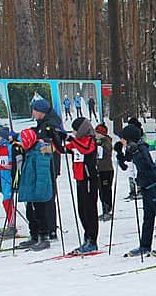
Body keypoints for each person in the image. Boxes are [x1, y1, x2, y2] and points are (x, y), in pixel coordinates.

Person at [115, 124, 156, 257]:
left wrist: (135, 153)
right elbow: (126, 166)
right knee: (148, 217)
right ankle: (145, 245)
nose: (121, 141)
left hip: (155, 185)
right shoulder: (132, 148)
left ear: (129, 138)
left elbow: (146, 165)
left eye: (122, 139)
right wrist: (120, 154)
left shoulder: (141, 148)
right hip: (146, 186)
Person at [30, 98, 64, 242]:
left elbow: (55, 143)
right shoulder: (42, 123)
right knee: (43, 195)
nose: (32, 114)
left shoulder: (51, 123)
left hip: (49, 164)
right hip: (42, 164)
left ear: (40, 111)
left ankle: (51, 228)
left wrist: (46, 146)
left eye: (34, 111)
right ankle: (45, 226)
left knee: (48, 196)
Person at [16, 128, 56, 251]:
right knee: (30, 214)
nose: (21, 145)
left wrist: (39, 191)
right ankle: (34, 235)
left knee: (40, 214)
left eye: (22, 142)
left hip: (39, 190)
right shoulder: (29, 151)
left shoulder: (40, 151)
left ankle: (43, 237)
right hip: (31, 189)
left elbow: (42, 173)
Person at [65, 118, 100, 253]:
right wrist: (56, 138)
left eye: (75, 129)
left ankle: (92, 240)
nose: (74, 132)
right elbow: (64, 149)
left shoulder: (90, 140)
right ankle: (87, 237)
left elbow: (85, 149)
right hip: (80, 179)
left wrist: (71, 139)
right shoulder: (77, 141)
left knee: (90, 209)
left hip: (90, 179)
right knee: (82, 210)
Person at [0, 127, 20, 239]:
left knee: (7, 201)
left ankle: (12, 226)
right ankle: (11, 224)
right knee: (6, 202)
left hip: (10, 178)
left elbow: (12, 165)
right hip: (2, 179)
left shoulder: (11, 148)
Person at [95, 123, 114, 221]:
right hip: (100, 170)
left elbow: (106, 151)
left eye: (98, 133)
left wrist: (99, 145)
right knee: (101, 191)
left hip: (106, 170)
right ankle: (104, 209)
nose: (96, 135)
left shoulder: (106, 141)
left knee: (106, 190)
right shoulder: (98, 141)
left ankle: (108, 209)